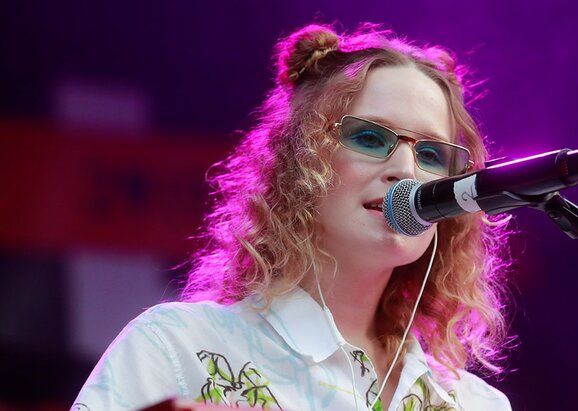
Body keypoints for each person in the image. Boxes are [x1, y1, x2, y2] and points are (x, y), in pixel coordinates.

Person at [73, 23, 513, 411]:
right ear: (298, 161)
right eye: (369, 137)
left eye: (431, 154)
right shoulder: (178, 347)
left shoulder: (476, 403)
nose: (406, 170)